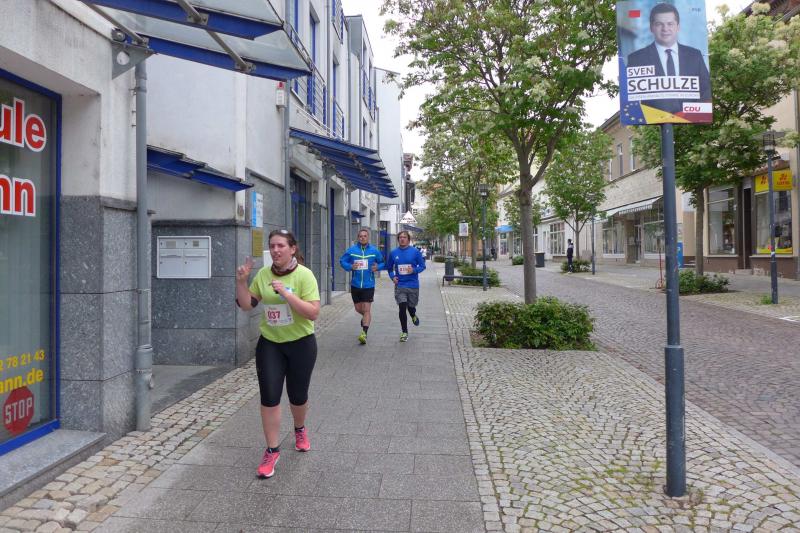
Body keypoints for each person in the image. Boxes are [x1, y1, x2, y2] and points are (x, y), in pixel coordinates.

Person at [235, 229, 320, 479]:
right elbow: (246, 305)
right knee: (269, 396)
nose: (275, 250)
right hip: (271, 344)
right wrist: (241, 282)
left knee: (297, 396)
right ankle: (272, 450)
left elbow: (313, 313)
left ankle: (299, 428)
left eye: (281, 245)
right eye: (272, 246)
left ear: (292, 249)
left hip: (301, 344)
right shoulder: (263, 274)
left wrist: (286, 294)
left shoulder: (304, 275)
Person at [626, 3, 711, 115]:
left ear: (678, 27)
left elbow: (706, 90)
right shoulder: (636, 59)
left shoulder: (695, 55)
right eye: (659, 24)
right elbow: (630, 97)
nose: (665, 29)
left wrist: (692, 114)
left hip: (689, 118)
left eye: (670, 24)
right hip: (652, 119)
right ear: (651, 27)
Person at [339, 228, 384, 345]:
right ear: (358, 238)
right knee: (358, 309)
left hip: (369, 284)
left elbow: (382, 262)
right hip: (355, 284)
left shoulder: (374, 251)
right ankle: (365, 318)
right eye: (360, 236)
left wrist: (377, 267)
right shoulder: (352, 250)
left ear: (368, 237)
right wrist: (350, 267)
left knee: (367, 309)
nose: (363, 238)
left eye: (365, 236)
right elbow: (342, 261)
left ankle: (364, 333)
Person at [386, 230, 426, 342]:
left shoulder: (415, 252)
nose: (402, 239)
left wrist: (414, 270)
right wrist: (392, 277)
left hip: (413, 284)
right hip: (400, 285)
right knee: (402, 307)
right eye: (400, 237)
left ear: (408, 240)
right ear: (398, 239)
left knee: (411, 306)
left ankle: (413, 315)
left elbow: (422, 266)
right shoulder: (393, 253)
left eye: (404, 237)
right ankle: (404, 332)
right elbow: (389, 268)